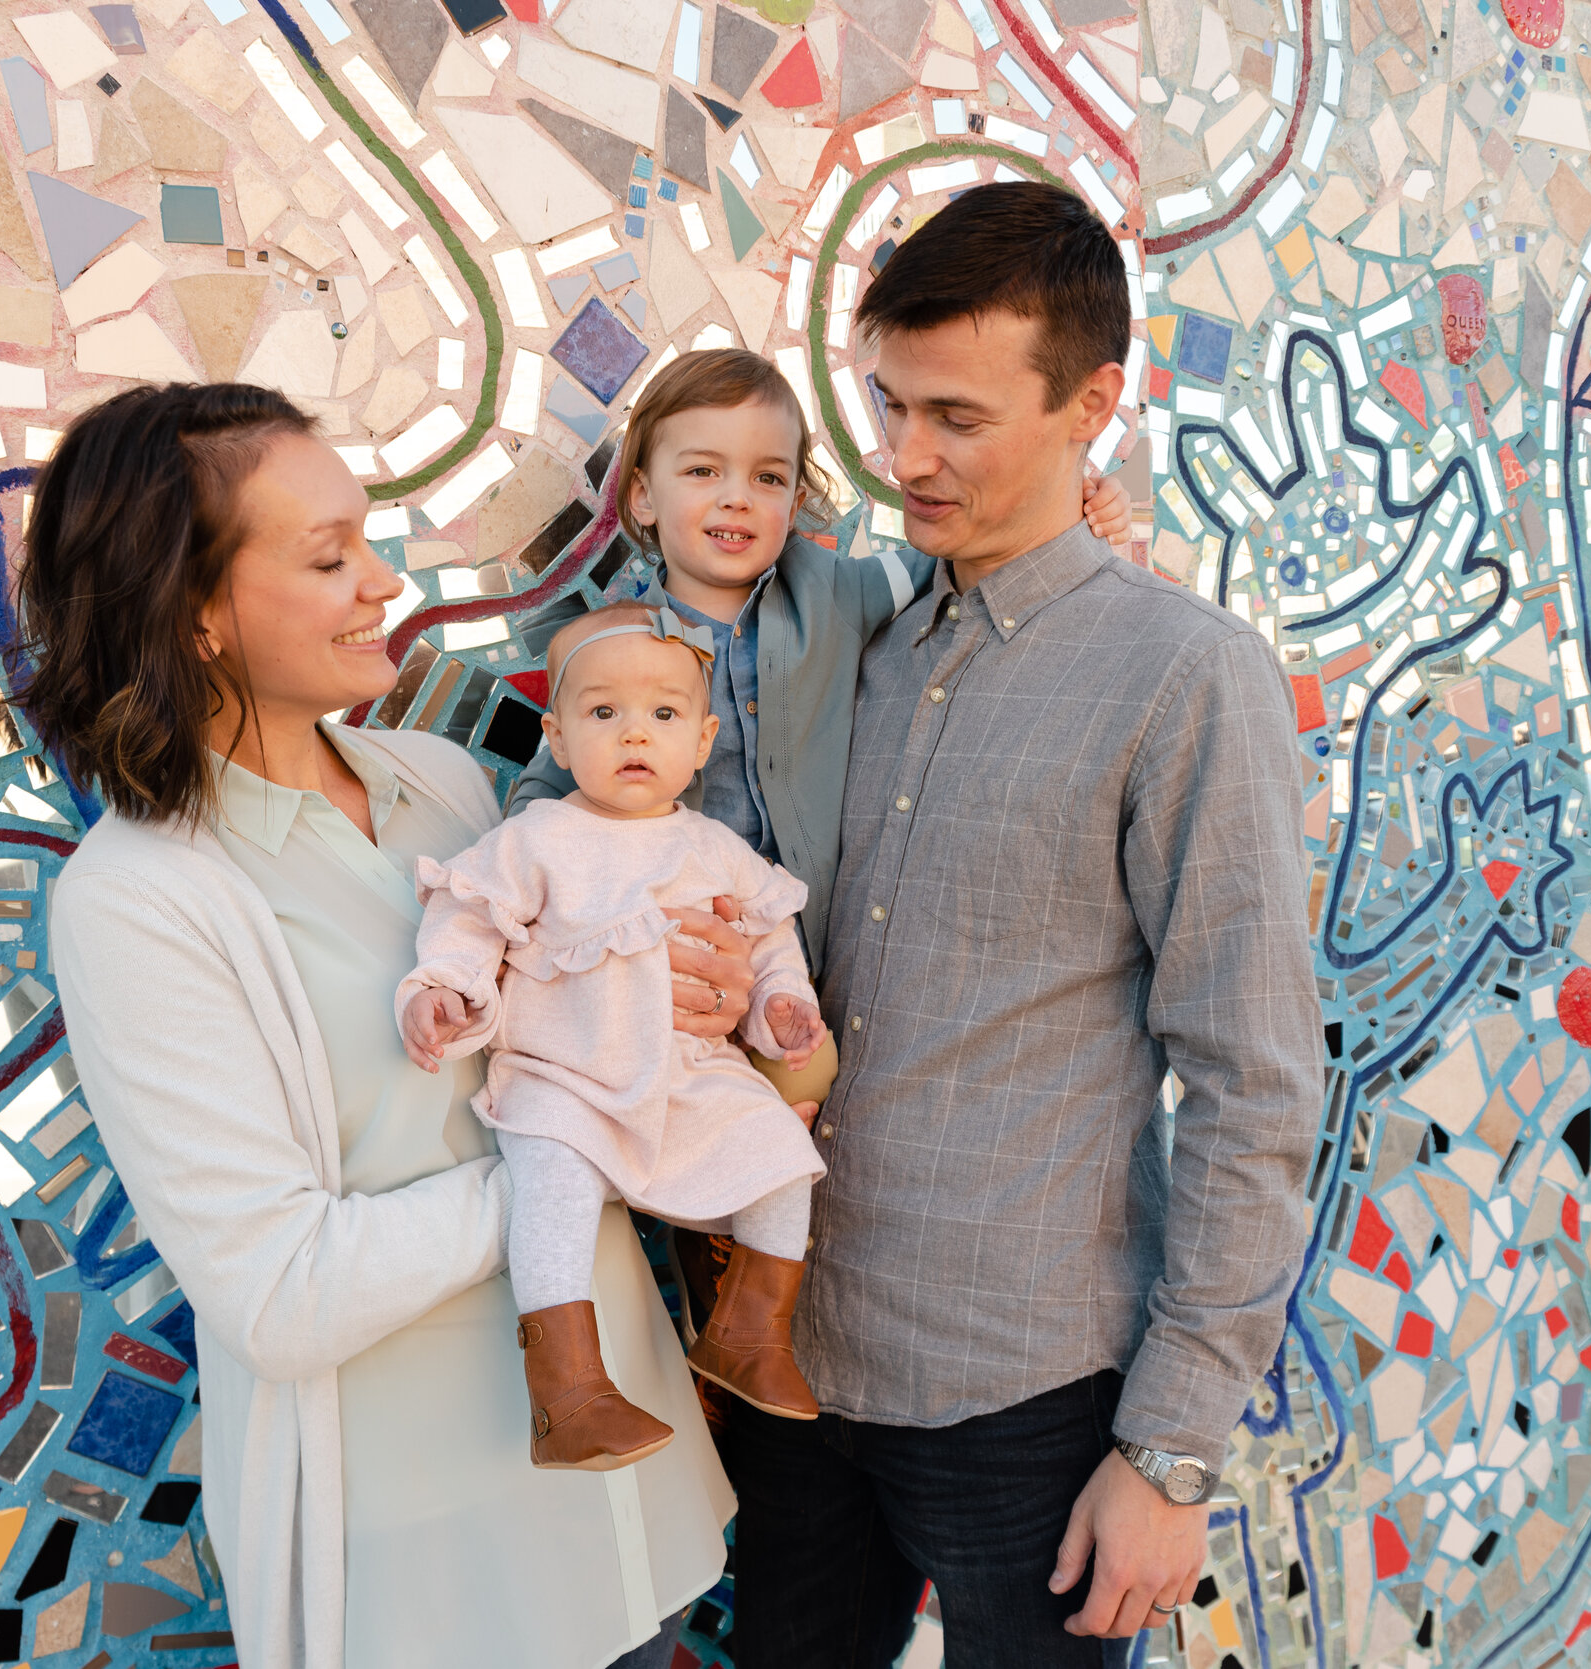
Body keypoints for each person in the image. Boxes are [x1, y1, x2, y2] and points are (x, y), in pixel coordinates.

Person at [28, 384, 734, 1669]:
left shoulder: (452, 790)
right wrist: (580, 1153)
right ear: (193, 612)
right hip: (442, 1576)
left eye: (368, 537)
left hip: (644, 1509)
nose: (381, 581)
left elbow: (596, 1040)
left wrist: (688, 1013)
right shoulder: (138, 901)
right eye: (329, 556)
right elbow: (280, 1292)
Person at [720, 182, 1322, 1666]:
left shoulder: (1185, 675)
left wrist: (1172, 1451)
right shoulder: (840, 641)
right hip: (790, 1367)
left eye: (956, 417)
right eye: (886, 405)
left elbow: (1256, 1081)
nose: (901, 457)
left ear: (1091, 406)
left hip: (1024, 1398)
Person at [507, 348, 1135, 997]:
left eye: (768, 479)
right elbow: (540, 798)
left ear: (796, 499)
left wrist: (1078, 505)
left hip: (802, 965)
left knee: (802, 1077)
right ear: (642, 494)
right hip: (667, 957)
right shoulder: (614, 647)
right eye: (701, 470)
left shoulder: (832, 593)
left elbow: (964, 554)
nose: (736, 499)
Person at [399, 603, 833, 1471]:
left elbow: (766, 942)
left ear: (705, 738)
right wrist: (442, 988)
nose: (635, 733)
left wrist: (781, 1001)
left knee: (783, 1153)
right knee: (551, 1191)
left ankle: (748, 1329)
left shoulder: (713, 847)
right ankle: (567, 1392)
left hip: (685, 1075)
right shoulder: (537, 838)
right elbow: (467, 920)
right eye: (604, 714)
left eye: (664, 715)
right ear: (556, 736)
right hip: (565, 1078)